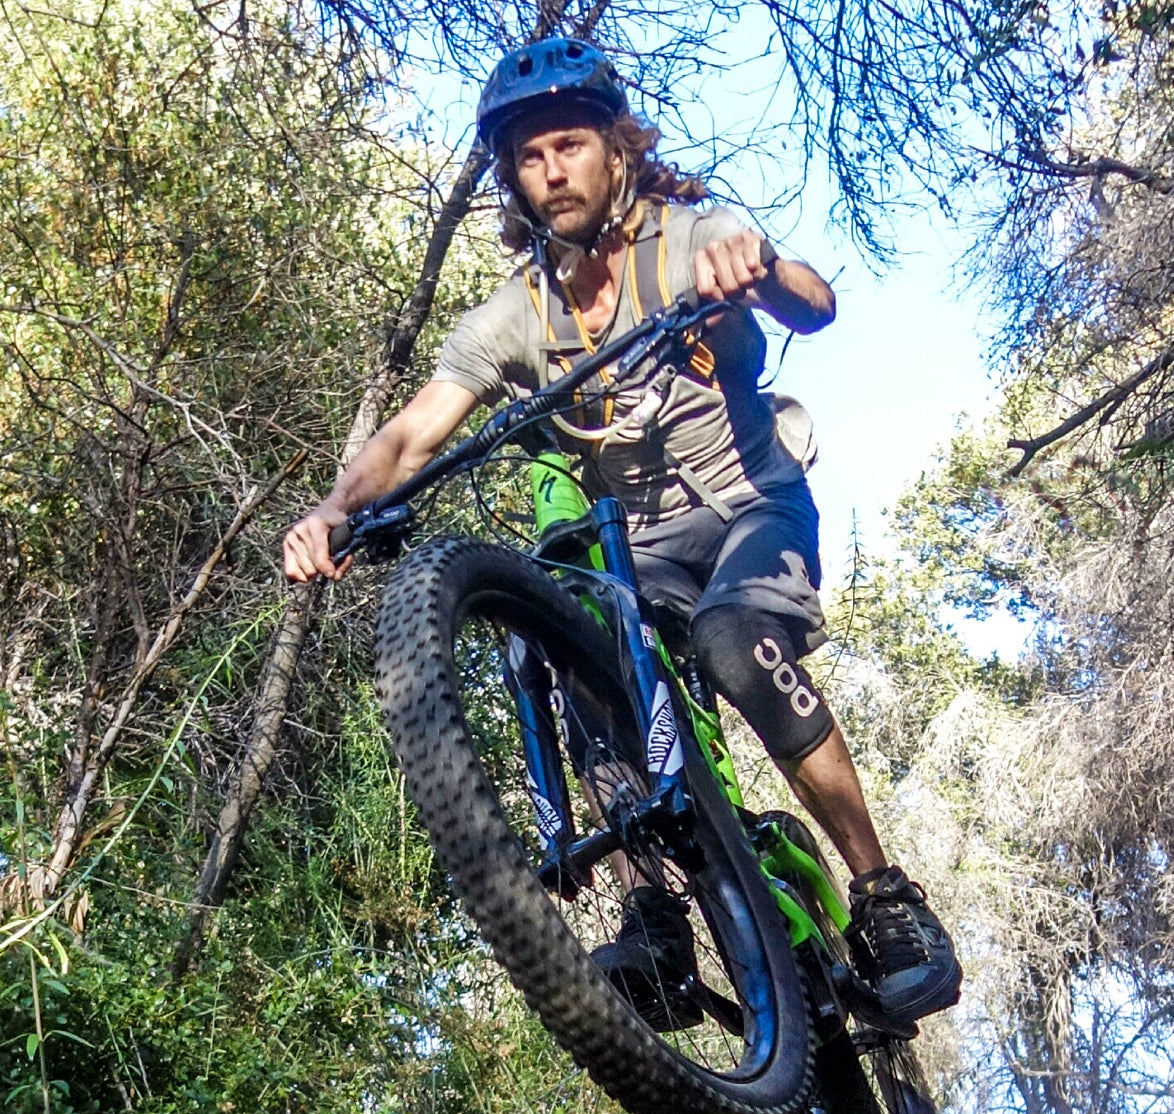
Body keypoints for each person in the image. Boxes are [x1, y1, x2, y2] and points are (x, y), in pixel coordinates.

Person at [278, 38, 959, 1028]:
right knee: (582, 662)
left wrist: (758, 269)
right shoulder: (516, 316)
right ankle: (657, 924)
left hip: (750, 512)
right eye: (528, 157)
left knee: (733, 640)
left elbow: (815, 302)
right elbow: (409, 434)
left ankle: (885, 897)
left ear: (614, 149)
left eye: (567, 146)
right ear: (512, 179)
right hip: (640, 553)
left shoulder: (690, 239)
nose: (550, 171)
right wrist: (335, 512)